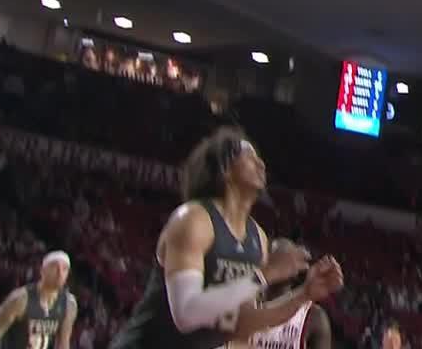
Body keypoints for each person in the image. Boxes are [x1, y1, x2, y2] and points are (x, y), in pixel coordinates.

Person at [109, 127, 343, 349]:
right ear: (225, 168)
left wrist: (303, 294)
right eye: (249, 157)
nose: (260, 163)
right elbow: (186, 314)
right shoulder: (193, 219)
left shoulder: (257, 237)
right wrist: (264, 274)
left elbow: (243, 324)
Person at [244, 240, 333, 349]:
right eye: (276, 259)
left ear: (297, 270)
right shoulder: (245, 308)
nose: (281, 265)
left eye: (286, 260)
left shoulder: (313, 316)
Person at [0, 251, 77, 349]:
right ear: (42, 271)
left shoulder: (69, 304)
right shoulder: (20, 298)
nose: (60, 273)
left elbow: (63, 343)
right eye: (54, 267)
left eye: (65, 269)